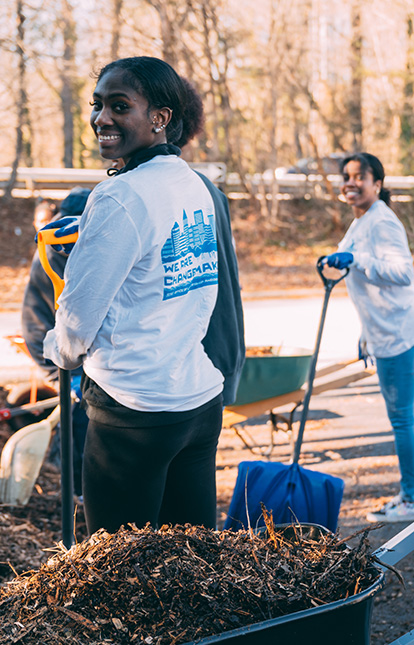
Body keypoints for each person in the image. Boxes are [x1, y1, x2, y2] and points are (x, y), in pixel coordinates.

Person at [41, 56, 244, 536]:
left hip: (134, 411)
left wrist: (59, 352)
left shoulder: (117, 197)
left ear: (160, 118)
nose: (102, 119)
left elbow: (76, 323)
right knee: (191, 565)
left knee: (118, 573)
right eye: (98, 105)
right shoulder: (196, 187)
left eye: (119, 106)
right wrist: (94, 235)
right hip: (197, 403)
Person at [322, 153, 414, 523]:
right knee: (411, 403)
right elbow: (367, 284)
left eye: (361, 176)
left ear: (377, 183)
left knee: (401, 416)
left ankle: (411, 500)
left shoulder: (382, 221)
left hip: (400, 335)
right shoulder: (361, 221)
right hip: (387, 333)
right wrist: (365, 331)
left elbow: (402, 274)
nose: (352, 182)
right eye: (348, 176)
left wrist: (355, 260)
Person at [22, 187, 91, 497]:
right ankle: (68, 491)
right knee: (78, 421)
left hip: (76, 357)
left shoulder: (77, 243)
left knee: (81, 424)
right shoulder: (57, 247)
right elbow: (42, 323)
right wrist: (65, 374)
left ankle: (71, 487)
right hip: (57, 353)